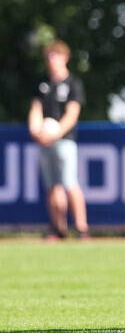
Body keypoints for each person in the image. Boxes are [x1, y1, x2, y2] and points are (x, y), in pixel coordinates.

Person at [28, 40, 89, 241]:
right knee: (52, 185)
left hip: (64, 140)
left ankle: (81, 228)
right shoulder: (42, 84)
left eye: (55, 56)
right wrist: (36, 131)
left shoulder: (73, 83)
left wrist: (55, 133)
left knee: (70, 182)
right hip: (44, 141)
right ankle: (58, 228)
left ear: (65, 57)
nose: (51, 61)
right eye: (48, 57)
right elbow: (35, 110)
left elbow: (72, 114)